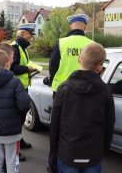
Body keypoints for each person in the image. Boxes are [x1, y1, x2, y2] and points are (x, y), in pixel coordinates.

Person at [49, 43, 116, 173]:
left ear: (79, 59)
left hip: (67, 152)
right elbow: (109, 124)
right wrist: (103, 150)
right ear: (100, 66)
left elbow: (55, 124)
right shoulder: (105, 91)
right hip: (93, 154)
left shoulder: (64, 89)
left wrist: (54, 151)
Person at [49, 13, 94, 97]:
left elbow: (53, 65)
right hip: (86, 90)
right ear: (85, 28)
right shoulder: (92, 45)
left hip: (62, 89)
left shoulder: (61, 43)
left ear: (70, 28)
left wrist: (51, 81)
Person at [10, 24, 37, 151]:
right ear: (22, 34)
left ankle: (19, 141)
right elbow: (12, 68)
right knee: (15, 119)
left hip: (22, 88)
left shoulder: (22, 47)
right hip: (16, 89)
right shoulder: (15, 48)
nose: (31, 37)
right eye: (30, 34)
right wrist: (27, 69)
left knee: (20, 118)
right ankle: (15, 148)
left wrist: (28, 70)